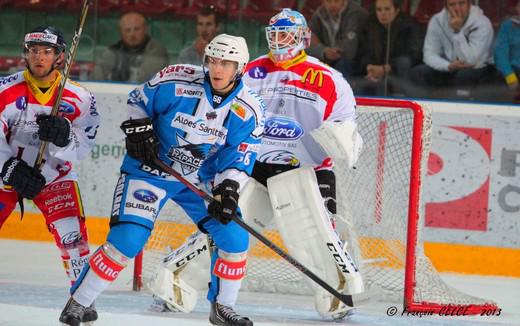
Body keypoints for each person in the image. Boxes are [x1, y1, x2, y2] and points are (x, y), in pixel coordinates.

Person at [150, 8, 364, 321]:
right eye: (273, 34)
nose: (278, 40)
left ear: (302, 36)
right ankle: (176, 282)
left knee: (319, 236)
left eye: (285, 34)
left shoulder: (329, 78)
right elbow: (218, 108)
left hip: (308, 170)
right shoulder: (250, 70)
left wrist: (343, 138)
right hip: (254, 165)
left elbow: (346, 122)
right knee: (223, 228)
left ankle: (337, 295)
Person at [59, 33, 264, 326]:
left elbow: (239, 157)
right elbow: (137, 101)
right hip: (150, 171)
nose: (218, 69)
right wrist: (139, 128)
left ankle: (223, 307)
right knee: (127, 240)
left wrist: (228, 191)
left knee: (234, 237)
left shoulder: (250, 109)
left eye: (227, 63)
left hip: (198, 179)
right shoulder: (176, 80)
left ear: (240, 67)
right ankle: (79, 302)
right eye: (214, 60)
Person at [0, 26, 100, 324]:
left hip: (53, 176)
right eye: (33, 50)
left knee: (72, 235)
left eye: (46, 51)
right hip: (6, 173)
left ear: (60, 56)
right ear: (25, 54)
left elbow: (86, 141)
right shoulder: (4, 90)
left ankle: (82, 299)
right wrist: (8, 167)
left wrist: (65, 136)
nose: (38, 56)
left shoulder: (80, 97)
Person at [410, 0, 494, 98]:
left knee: (463, 75)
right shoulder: (437, 20)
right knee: (417, 73)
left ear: (469, 4)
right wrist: (448, 66)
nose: (457, 8)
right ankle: (426, 108)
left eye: (461, 3)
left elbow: (471, 60)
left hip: (478, 67)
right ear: (446, 6)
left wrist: (457, 31)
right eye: (452, 4)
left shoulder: (482, 23)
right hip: (450, 65)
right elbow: (429, 54)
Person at [353, 0, 424, 96]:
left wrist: (387, 68)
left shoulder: (409, 26)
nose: (383, 13)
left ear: (397, 10)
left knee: (402, 64)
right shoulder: (369, 26)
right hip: (373, 73)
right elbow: (362, 53)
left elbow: (414, 55)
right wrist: (368, 66)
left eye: (387, 9)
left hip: (398, 73)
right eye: (379, 10)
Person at [91, 11, 169, 83]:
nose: (132, 35)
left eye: (136, 29)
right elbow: (96, 77)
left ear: (145, 29)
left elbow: (144, 81)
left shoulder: (157, 51)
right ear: (120, 32)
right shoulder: (112, 51)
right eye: (127, 30)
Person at [306, 0, 368, 77]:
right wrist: (323, 51)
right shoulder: (320, 13)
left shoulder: (356, 13)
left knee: (342, 66)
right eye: (328, 1)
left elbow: (351, 49)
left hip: (356, 62)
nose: (332, 5)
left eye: (336, 1)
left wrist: (334, 51)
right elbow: (307, 38)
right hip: (329, 59)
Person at [494, 0, 520, 102]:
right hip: (513, 72)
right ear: (517, 8)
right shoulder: (507, 26)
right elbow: (500, 54)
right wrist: (510, 76)